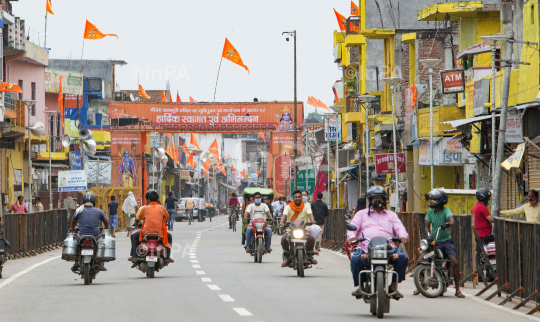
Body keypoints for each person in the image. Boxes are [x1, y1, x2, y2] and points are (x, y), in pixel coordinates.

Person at [347, 186, 408, 298]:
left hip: (388, 248)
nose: (377, 200)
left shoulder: (392, 215)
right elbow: (353, 227)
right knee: (355, 258)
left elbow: (399, 227)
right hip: (365, 248)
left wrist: (403, 236)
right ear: (370, 200)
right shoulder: (361, 214)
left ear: (384, 199)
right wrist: (352, 237)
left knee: (403, 257)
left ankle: (393, 285)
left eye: (379, 198)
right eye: (374, 198)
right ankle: (361, 286)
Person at [413, 189, 465, 298]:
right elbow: (427, 224)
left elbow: (451, 219)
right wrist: (427, 234)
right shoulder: (430, 211)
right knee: (421, 259)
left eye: (435, 200)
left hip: (445, 240)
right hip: (432, 240)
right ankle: (421, 286)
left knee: (454, 262)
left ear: (441, 201)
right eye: (432, 199)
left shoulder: (446, 210)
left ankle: (457, 289)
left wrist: (450, 223)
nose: (432, 201)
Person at [128, 190, 174, 268]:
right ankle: (167, 257)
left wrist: (136, 224)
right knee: (169, 237)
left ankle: (134, 256)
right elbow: (167, 217)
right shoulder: (162, 208)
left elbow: (138, 218)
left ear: (148, 199)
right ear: (158, 199)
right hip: (159, 233)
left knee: (134, 236)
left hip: (146, 233)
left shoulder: (145, 208)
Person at [70, 192, 110, 272]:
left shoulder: (79, 210)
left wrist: (73, 229)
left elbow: (73, 222)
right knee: (101, 243)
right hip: (95, 235)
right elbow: (106, 222)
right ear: (94, 201)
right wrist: (106, 228)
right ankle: (101, 264)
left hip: (81, 235)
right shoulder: (99, 211)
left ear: (84, 201)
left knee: (77, 244)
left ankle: (76, 262)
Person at [280, 190, 318, 267]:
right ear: (293, 198)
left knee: (311, 238)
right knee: (284, 238)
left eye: (299, 197)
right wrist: (281, 222)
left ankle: (310, 255)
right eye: (296, 197)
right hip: (290, 230)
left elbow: (310, 214)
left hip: (304, 229)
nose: (297, 198)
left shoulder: (306, 206)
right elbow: (284, 215)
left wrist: (312, 220)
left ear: (301, 197)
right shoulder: (289, 206)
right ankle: (287, 257)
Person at [472, 188, 494, 282]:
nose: (489, 200)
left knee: (480, 255)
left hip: (480, 234)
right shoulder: (482, 207)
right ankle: (488, 276)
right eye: (488, 198)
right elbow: (491, 219)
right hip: (484, 235)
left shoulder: (476, 206)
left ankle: (481, 276)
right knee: (487, 255)